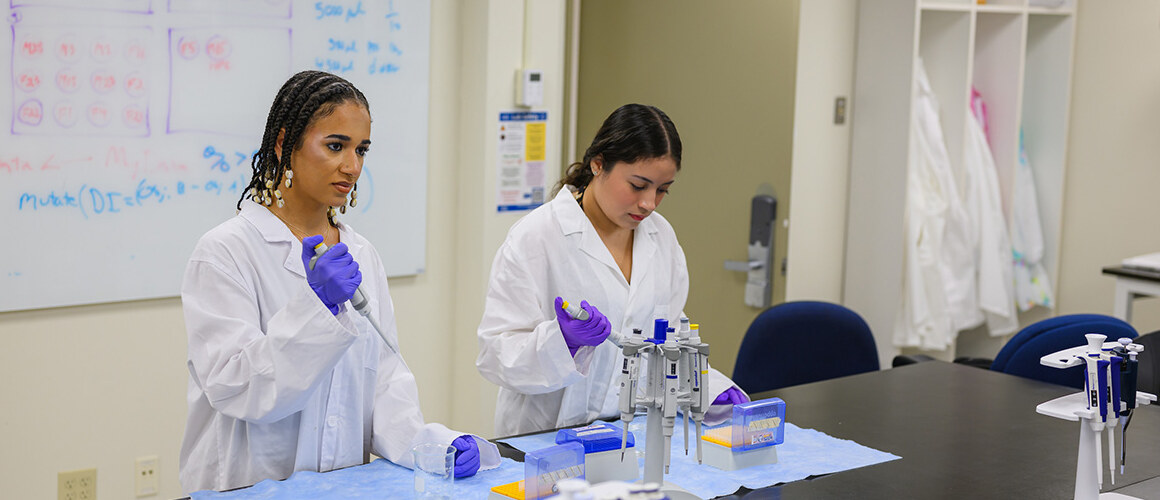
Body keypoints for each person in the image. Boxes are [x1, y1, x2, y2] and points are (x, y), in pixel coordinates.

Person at [179, 70, 497, 493]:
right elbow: (236, 389)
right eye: (335, 146)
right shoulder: (226, 251)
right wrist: (317, 308)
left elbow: (383, 381)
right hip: (248, 484)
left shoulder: (361, 254)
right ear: (284, 144)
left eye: (361, 150)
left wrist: (434, 445)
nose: (352, 166)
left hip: (342, 486)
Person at [476, 103, 749, 437]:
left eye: (662, 190)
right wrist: (562, 342)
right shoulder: (536, 237)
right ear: (598, 164)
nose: (649, 203)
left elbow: (667, 339)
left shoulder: (661, 238)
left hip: (630, 436)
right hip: (544, 438)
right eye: (638, 185)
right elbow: (496, 354)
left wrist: (708, 388)